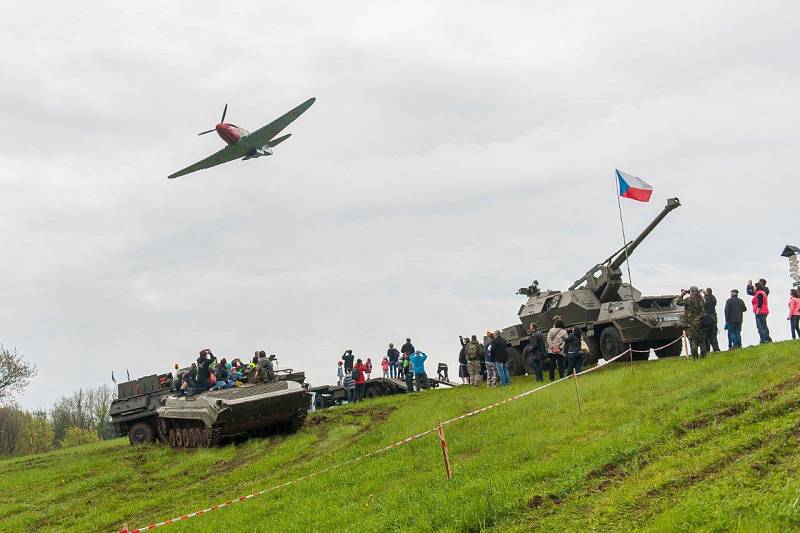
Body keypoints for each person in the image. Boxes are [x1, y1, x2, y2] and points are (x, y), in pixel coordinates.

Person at [678, 286, 707, 358]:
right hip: (701, 323)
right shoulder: (701, 300)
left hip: (691, 324)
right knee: (701, 341)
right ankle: (703, 355)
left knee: (692, 341)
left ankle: (695, 357)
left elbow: (678, 302)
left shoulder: (688, 299)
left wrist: (682, 294)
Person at [702, 288, 721, 353]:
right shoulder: (713, 298)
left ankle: (707, 349)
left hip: (707, 319)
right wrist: (705, 294)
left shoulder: (705, 298)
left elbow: (704, 303)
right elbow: (711, 300)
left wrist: (704, 295)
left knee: (706, 336)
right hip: (713, 318)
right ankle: (716, 349)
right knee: (713, 335)